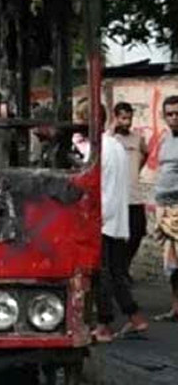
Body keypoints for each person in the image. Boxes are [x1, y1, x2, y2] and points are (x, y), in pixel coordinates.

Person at [94, 104, 148, 342]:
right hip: (117, 217)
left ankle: (104, 324)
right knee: (117, 271)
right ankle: (135, 317)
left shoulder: (98, 148)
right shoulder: (115, 145)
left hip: (103, 218)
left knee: (103, 273)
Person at [112, 102, 149, 279]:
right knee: (117, 237)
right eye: (123, 118)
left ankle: (124, 265)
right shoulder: (111, 139)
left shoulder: (137, 138)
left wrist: (135, 171)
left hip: (134, 195)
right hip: (117, 197)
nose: (126, 122)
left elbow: (145, 154)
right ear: (116, 118)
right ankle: (119, 271)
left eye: (129, 118)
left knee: (138, 231)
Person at [154, 95, 178, 322]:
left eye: (177, 114)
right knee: (170, 265)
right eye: (169, 114)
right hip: (164, 207)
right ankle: (175, 308)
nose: (173, 118)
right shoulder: (166, 139)